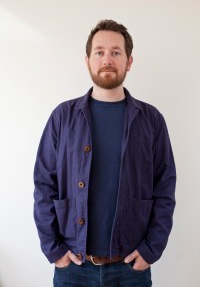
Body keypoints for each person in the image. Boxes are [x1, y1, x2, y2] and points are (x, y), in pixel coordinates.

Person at [33, 19, 176, 287]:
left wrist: (150, 250)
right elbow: (43, 186)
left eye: (116, 52)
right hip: (73, 267)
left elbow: (164, 189)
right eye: (99, 52)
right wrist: (54, 250)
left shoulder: (151, 120)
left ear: (129, 61)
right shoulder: (62, 117)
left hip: (130, 269)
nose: (107, 59)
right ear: (87, 60)